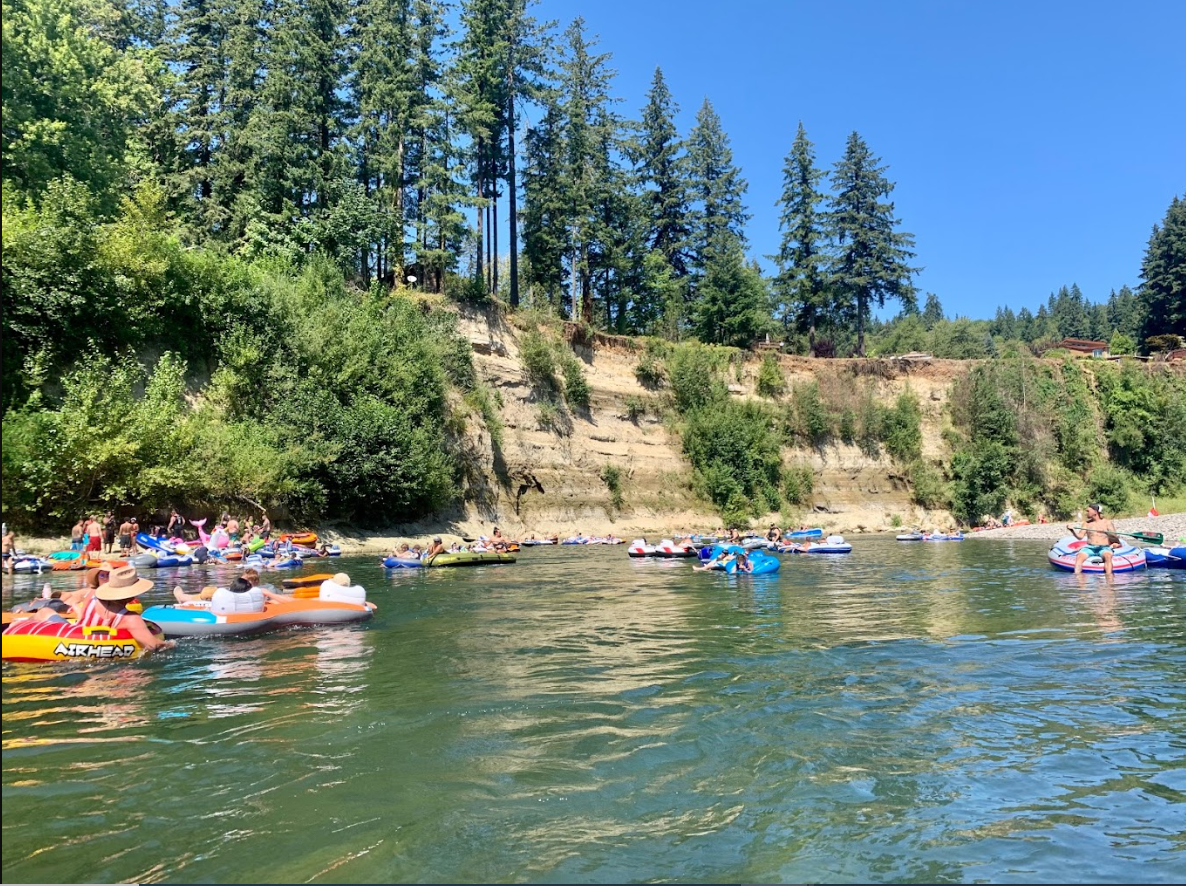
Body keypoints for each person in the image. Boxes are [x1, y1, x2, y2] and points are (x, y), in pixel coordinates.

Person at [34, 566, 175, 652]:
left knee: (44, 612)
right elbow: (153, 646)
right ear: (134, 593)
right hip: (95, 648)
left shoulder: (90, 595)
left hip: (74, 636)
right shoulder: (130, 618)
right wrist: (170, 644)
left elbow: (72, 603)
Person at [1069, 503, 1121, 576]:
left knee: (1108, 557)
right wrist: (1072, 530)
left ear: (1095, 512)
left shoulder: (1107, 523)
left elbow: (1115, 537)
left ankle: (1109, 578)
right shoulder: (1086, 524)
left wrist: (1107, 532)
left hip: (1104, 547)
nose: (1086, 513)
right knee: (1079, 557)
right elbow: (1080, 537)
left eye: (1088, 511)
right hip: (1090, 547)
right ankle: (1078, 579)